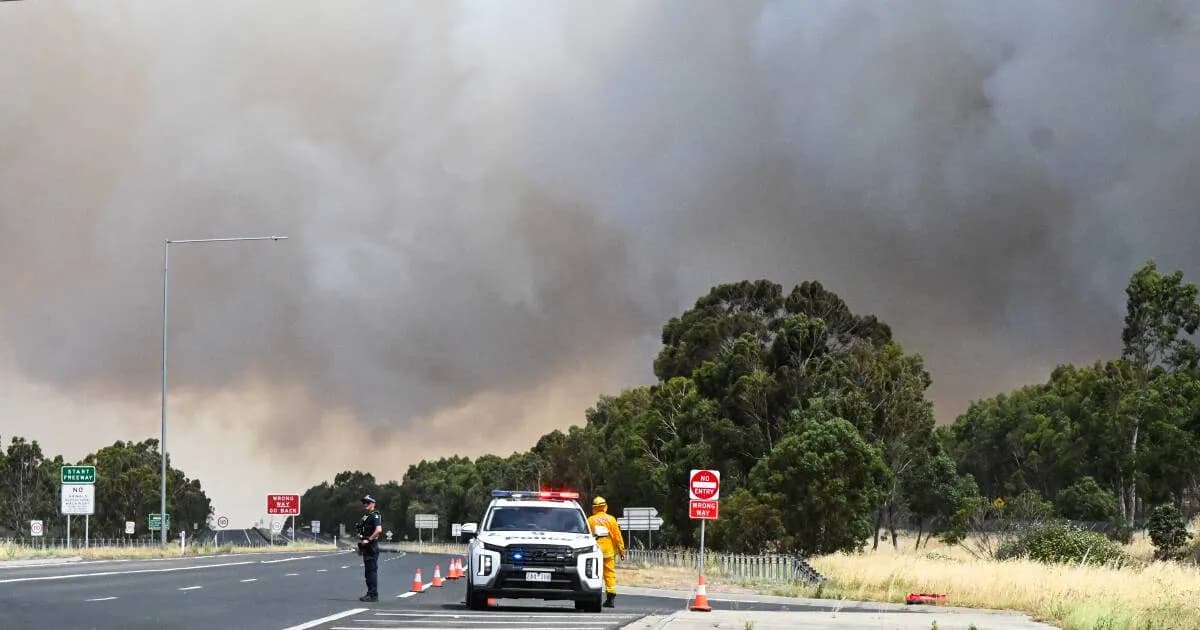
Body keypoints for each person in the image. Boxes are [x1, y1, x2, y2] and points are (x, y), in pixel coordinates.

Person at [587, 496, 625, 608]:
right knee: (610, 574)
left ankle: (593, 597)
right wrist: (622, 551)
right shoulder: (611, 519)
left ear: (594, 508)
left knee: (594, 574)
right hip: (609, 552)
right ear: (605, 507)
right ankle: (611, 599)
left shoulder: (590, 520)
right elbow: (618, 537)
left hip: (595, 552)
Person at [355, 495, 383, 602]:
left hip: (371, 545)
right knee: (368, 572)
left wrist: (369, 539)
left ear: (373, 504)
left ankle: (373, 595)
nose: (365, 504)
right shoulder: (366, 516)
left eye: (367, 502)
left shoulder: (375, 515)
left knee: (371, 571)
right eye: (364, 502)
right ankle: (370, 593)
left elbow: (379, 530)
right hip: (366, 546)